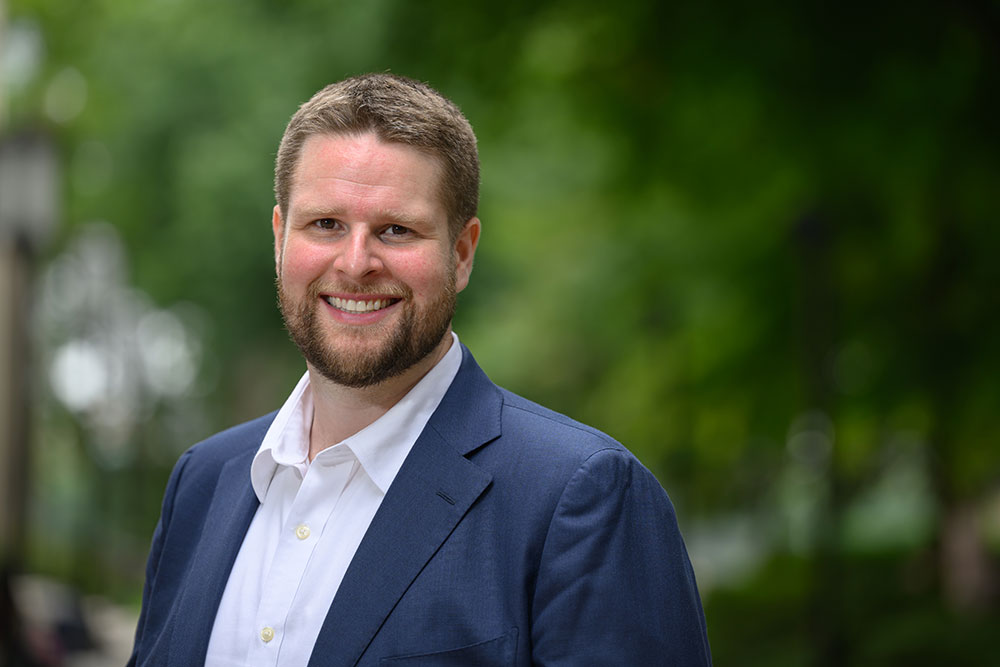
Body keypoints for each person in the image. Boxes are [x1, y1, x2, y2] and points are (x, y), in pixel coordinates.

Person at [128, 73, 711, 667]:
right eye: (325, 224)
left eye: (396, 230)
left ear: (461, 253)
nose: (355, 264)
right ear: (280, 238)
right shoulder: (201, 485)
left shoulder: (580, 498)